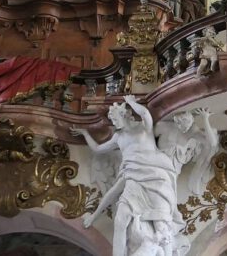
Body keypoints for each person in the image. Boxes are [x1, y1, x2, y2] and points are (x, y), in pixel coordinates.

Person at [72, 96, 183, 256]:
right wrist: (85, 133)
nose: (114, 123)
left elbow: (145, 114)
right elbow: (97, 148)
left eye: (116, 119)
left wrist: (131, 102)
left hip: (156, 178)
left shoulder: (144, 129)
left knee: (162, 225)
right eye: (112, 120)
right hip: (132, 177)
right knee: (120, 220)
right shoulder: (119, 137)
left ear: (125, 115)